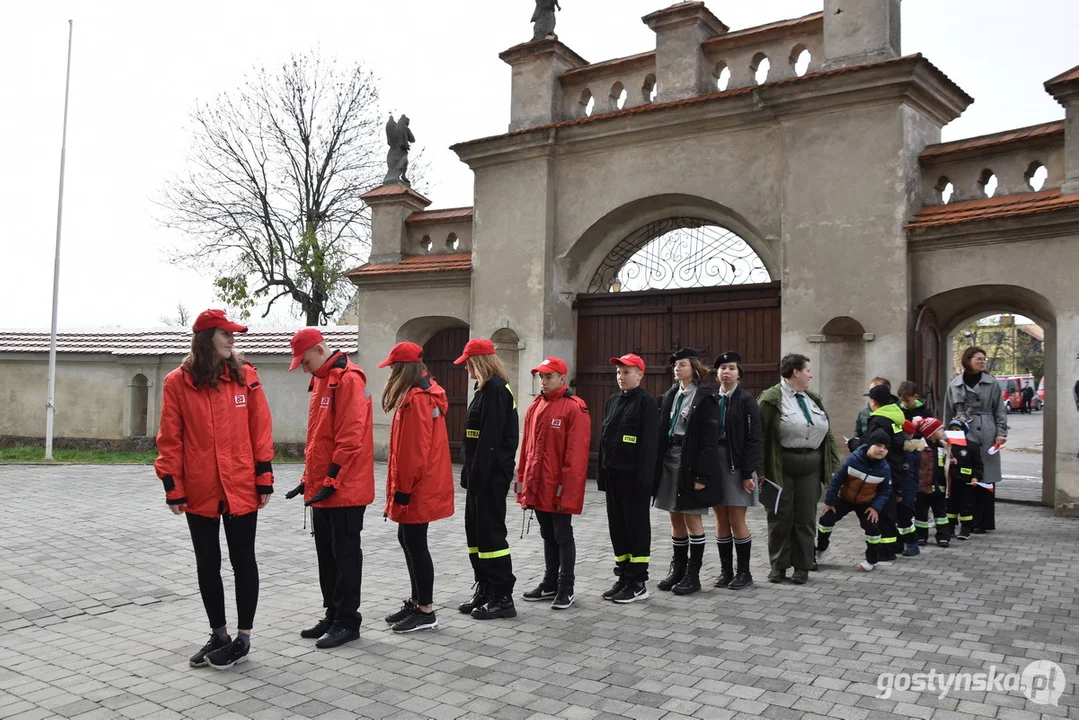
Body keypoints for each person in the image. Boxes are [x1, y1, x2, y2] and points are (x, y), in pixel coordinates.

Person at [155, 309, 275, 670]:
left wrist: (264, 475)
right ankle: (219, 633)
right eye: (226, 333)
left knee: (243, 562)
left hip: (240, 484)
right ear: (207, 337)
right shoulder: (178, 382)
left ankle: (243, 637)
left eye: (233, 334)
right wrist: (171, 486)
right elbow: (170, 438)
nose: (233, 339)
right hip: (200, 488)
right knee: (208, 564)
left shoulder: (246, 376)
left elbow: (261, 428)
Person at [287, 328, 375, 649]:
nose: (303, 367)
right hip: (324, 488)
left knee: (346, 555)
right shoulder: (322, 380)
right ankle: (333, 612)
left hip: (345, 488)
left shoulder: (349, 379)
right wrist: (307, 480)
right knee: (327, 553)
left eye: (305, 360)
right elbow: (318, 441)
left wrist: (332, 479)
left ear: (319, 349)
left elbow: (350, 436)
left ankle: (348, 621)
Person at [379, 342, 455, 633]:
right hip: (418, 484)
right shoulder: (420, 395)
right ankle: (416, 601)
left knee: (416, 543)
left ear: (403, 369)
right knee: (408, 539)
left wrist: (403, 490)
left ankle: (426, 610)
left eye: (394, 368)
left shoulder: (417, 399)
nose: (391, 374)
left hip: (417, 487)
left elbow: (414, 452)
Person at [757, 354, 840, 585]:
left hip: (810, 465)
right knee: (780, 516)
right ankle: (779, 566)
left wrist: (833, 466)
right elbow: (760, 437)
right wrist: (759, 470)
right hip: (781, 465)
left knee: (805, 517)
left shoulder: (813, 398)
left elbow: (829, 435)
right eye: (808, 370)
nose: (811, 374)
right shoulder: (771, 399)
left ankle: (803, 566)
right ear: (796, 372)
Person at [516, 357, 591, 610]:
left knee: (562, 534)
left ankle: (566, 587)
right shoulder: (536, 405)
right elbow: (527, 449)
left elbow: (576, 457)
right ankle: (549, 583)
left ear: (562, 377)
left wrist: (565, 492)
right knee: (547, 533)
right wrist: (522, 482)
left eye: (548, 376)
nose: (543, 381)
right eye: (541, 377)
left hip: (558, 487)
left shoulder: (574, 407)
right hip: (539, 485)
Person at [454, 338, 520, 620]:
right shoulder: (483, 388)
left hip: (491, 476)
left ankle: (502, 596)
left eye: (468, 363)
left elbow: (491, 439)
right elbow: (474, 436)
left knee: (491, 534)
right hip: (479, 474)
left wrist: (478, 473)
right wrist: (468, 471)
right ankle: (485, 587)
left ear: (479, 362)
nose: (466, 368)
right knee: (476, 534)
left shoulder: (495, 389)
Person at [654, 348, 723, 596]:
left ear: (694, 368)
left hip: (691, 461)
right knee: (674, 515)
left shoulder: (705, 397)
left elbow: (709, 440)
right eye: (675, 365)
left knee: (692, 517)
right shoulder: (670, 395)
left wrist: (702, 475)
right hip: (670, 459)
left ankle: (693, 575)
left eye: (682, 364)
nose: (677, 368)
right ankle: (678, 570)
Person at [598, 353, 659, 604]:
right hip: (614, 476)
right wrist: (602, 475)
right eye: (618, 373)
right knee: (618, 528)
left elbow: (649, 446)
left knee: (636, 529)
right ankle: (623, 575)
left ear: (640, 375)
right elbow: (604, 440)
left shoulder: (646, 403)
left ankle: (638, 581)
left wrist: (645, 481)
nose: (621, 377)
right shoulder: (613, 400)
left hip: (635, 480)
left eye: (626, 372)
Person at [710, 351, 762, 591]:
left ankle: (744, 572)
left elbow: (754, 438)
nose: (726, 371)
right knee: (720, 517)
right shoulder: (710, 398)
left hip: (738, 464)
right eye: (722, 367)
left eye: (731, 367)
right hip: (715, 464)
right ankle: (726, 571)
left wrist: (747, 472)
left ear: (739, 374)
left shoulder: (745, 399)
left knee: (736, 518)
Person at [943, 347, 1007, 534]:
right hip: (962, 431)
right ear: (967, 360)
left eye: (983, 359)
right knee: (962, 475)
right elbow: (948, 411)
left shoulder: (991, 382)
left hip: (987, 432)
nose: (982, 361)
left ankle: (984, 521)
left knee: (985, 475)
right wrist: (948, 436)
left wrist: (1001, 432)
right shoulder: (955, 384)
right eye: (978, 358)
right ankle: (964, 520)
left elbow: (1000, 409)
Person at [848, 384, 914, 560]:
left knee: (883, 512)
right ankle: (896, 545)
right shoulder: (895, 415)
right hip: (895, 467)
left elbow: (871, 444)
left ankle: (886, 550)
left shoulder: (879, 420)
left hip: (882, 469)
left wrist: (853, 444)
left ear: (875, 402)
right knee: (890, 509)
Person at [814, 429, 892, 573]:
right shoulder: (853, 460)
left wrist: (875, 507)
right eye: (878, 445)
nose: (881, 450)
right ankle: (821, 549)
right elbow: (836, 481)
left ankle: (871, 560)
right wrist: (830, 502)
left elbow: (885, 492)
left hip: (867, 503)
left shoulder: (885, 469)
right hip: (845, 498)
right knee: (826, 520)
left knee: (873, 528)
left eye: (886, 448)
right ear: (869, 444)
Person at [910, 416, 951, 547]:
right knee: (921, 513)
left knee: (941, 514)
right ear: (931, 432)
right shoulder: (919, 446)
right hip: (922, 487)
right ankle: (921, 536)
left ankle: (943, 536)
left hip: (939, 486)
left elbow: (947, 462)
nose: (943, 431)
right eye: (940, 429)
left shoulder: (943, 446)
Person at [944, 418, 984, 539]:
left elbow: (978, 464)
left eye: (958, 430)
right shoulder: (946, 446)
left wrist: (976, 477)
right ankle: (950, 528)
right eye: (952, 430)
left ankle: (966, 529)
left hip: (965, 482)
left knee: (966, 506)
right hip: (950, 482)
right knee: (950, 507)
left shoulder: (971, 446)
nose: (955, 432)